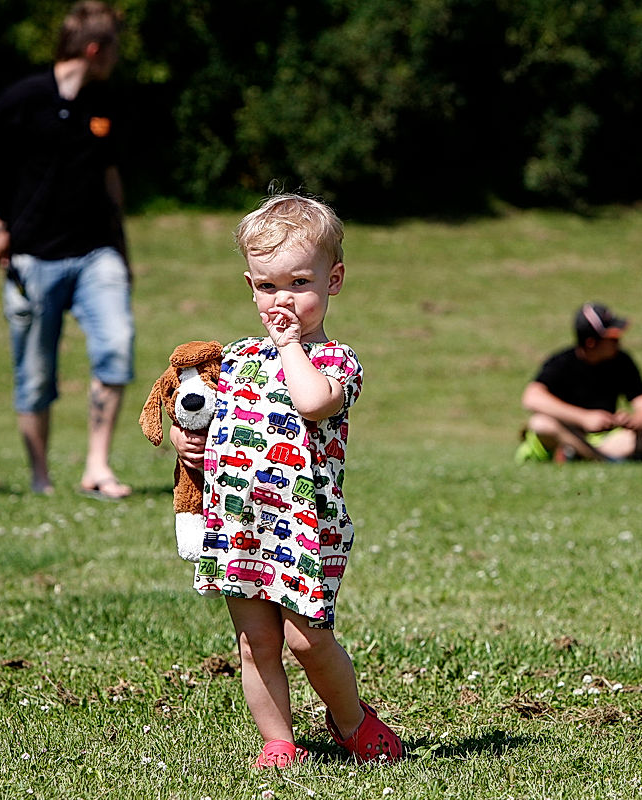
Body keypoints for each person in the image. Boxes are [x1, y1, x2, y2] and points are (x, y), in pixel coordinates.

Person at [169, 194, 402, 769]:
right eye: (268, 286)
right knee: (256, 644)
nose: (283, 300)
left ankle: (352, 721)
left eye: (300, 283)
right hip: (240, 525)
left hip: (303, 528)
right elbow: (200, 414)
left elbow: (313, 403)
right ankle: (278, 741)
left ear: (333, 280)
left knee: (307, 639)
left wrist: (291, 345)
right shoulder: (235, 358)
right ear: (251, 286)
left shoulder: (336, 360)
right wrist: (184, 439)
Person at [0, 1, 134, 498]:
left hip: (97, 254)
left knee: (116, 346)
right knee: (34, 375)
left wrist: (122, 249)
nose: (117, 57)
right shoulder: (27, 96)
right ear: (95, 49)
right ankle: (41, 479)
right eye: (114, 47)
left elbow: (110, 177)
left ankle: (97, 467)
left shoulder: (105, 103)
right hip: (33, 257)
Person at [518, 302, 642, 463]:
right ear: (591, 343)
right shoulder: (562, 362)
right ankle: (609, 457)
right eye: (612, 338)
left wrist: (634, 421)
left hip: (604, 438)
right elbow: (531, 398)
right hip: (567, 434)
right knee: (540, 424)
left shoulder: (622, 361)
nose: (618, 341)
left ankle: (585, 456)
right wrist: (584, 418)